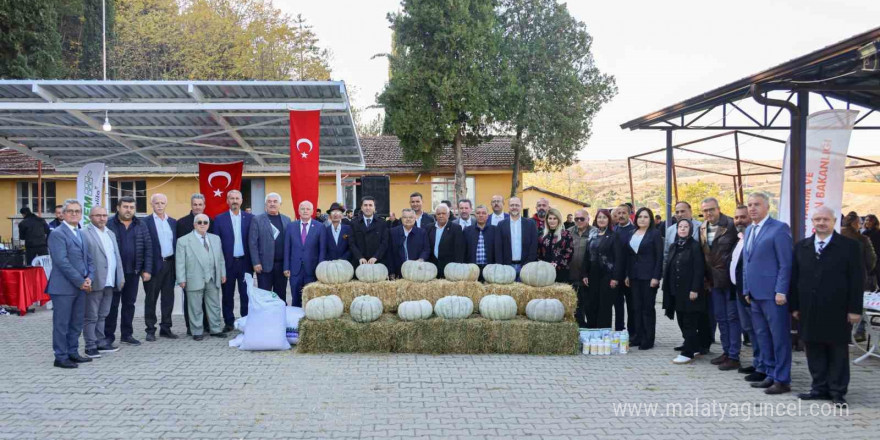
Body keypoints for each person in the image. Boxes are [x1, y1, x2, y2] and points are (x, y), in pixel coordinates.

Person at [791, 206, 863, 407]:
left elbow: (857, 280)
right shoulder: (802, 246)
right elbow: (795, 278)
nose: (821, 223)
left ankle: (838, 391)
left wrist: (855, 309)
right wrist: (795, 306)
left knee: (837, 351)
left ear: (834, 222)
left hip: (838, 310)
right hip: (809, 309)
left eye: (826, 219)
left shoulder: (849, 247)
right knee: (813, 349)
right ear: (812, 223)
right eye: (817, 219)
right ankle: (818, 388)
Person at [742, 192, 793, 395]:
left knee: (779, 337)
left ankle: (782, 379)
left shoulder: (779, 229)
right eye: (750, 205)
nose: (752, 208)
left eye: (757, 204)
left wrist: (781, 290)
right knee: (762, 336)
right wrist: (746, 288)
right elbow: (747, 263)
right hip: (754, 294)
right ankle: (770, 373)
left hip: (773, 296)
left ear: (767, 207)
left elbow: (785, 263)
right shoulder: (748, 230)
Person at [46, 199, 95, 369]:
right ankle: (60, 356)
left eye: (77, 211)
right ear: (63, 214)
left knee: (76, 322)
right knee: (62, 324)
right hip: (63, 288)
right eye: (70, 211)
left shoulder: (81, 233)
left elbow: (89, 258)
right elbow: (61, 261)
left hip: (81, 286)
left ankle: (73, 352)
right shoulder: (57, 234)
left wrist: (90, 277)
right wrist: (81, 281)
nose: (74, 214)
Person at [699, 197, 741, 371]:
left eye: (711, 209)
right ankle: (726, 352)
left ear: (719, 208)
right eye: (705, 210)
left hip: (729, 280)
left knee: (732, 318)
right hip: (713, 281)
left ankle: (734, 355)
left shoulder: (731, 225)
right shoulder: (702, 228)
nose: (708, 213)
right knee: (721, 318)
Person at [105, 196, 152, 346]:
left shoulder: (141, 224)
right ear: (118, 208)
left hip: (133, 272)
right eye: (125, 207)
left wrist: (147, 270)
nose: (128, 210)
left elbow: (148, 248)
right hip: (114, 273)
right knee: (112, 305)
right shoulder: (109, 224)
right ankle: (108, 336)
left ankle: (127, 334)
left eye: (131, 207)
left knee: (129, 304)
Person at [81, 207, 125, 358]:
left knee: (103, 314)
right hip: (95, 280)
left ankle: (100, 342)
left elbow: (116, 257)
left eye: (104, 215)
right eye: (98, 215)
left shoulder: (110, 233)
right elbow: (83, 259)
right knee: (91, 316)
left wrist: (120, 277)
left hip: (110, 281)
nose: (102, 218)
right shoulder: (85, 234)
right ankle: (90, 345)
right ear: (90, 217)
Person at [175, 214, 227, 341]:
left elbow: (220, 258)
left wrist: (222, 273)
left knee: (214, 305)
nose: (202, 224)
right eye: (199, 222)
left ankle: (215, 329)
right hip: (194, 277)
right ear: (194, 224)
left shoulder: (215, 239)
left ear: (209, 225)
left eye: (205, 222)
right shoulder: (183, 241)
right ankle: (197, 331)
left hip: (212, 277)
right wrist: (181, 279)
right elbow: (180, 262)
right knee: (195, 306)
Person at [663, 219, 708, 364]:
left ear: (691, 229)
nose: (682, 229)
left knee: (689, 321)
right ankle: (694, 346)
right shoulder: (674, 246)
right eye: (680, 227)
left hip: (690, 291)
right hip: (676, 291)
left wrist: (695, 289)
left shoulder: (695, 246)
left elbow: (699, 269)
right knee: (681, 319)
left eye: (686, 227)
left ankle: (687, 352)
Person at [730, 205, 765, 380]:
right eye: (736, 217)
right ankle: (758, 362)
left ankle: (763, 366)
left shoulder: (755, 238)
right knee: (750, 329)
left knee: (759, 330)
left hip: (752, 293)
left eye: (743, 217)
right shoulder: (740, 239)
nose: (739, 221)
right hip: (740, 292)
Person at [622, 207, 663, 350]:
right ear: (635, 218)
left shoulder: (655, 234)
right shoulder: (631, 233)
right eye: (640, 216)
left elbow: (659, 257)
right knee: (636, 308)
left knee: (647, 308)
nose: (642, 219)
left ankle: (648, 339)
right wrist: (627, 274)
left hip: (649, 277)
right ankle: (637, 337)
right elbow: (628, 256)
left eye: (646, 217)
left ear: (650, 219)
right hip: (634, 276)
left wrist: (656, 277)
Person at [213, 190, 253, 332]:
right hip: (227, 263)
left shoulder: (250, 218)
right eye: (231, 198)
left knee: (246, 294)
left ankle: (246, 320)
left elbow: (253, 242)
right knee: (227, 294)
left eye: (237, 198)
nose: (234, 201)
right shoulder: (219, 219)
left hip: (245, 263)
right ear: (227, 201)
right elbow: (216, 244)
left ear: (241, 200)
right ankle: (229, 322)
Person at [142, 193, 178, 341]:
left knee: (168, 298)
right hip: (154, 266)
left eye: (162, 203)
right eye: (157, 203)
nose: (160, 205)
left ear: (166, 204)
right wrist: (145, 269)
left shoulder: (172, 222)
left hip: (170, 264)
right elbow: (143, 247)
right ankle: (150, 329)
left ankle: (166, 328)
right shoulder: (145, 222)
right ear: (152, 204)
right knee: (151, 299)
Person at [581, 209, 623, 329]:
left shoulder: (614, 236)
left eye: (604, 217)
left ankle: (603, 335)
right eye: (599, 217)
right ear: (596, 219)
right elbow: (586, 256)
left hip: (607, 277)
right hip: (592, 276)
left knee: (604, 307)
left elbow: (618, 259)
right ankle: (592, 334)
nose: (601, 220)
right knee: (591, 306)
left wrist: (615, 278)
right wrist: (584, 274)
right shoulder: (592, 235)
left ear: (609, 220)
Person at [175, 194, 208, 335]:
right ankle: (191, 327)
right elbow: (179, 252)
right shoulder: (181, 223)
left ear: (204, 206)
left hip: (206, 270)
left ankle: (206, 325)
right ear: (191, 205)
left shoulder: (208, 221)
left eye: (200, 204)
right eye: (195, 204)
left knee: (206, 298)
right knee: (190, 300)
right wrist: (181, 276)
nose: (197, 207)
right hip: (190, 271)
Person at [249, 193, 291, 301]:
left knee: (281, 296)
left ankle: (279, 317)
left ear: (280, 204)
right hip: (263, 266)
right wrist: (256, 262)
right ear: (265, 204)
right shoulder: (257, 220)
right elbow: (252, 243)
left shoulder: (287, 220)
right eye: (269, 201)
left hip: (282, 266)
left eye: (275, 201)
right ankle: (265, 318)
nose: (272, 204)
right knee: (264, 297)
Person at [284, 201, 324, 307]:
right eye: (302, 209)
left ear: (312, 211)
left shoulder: (320, 227)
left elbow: (322, 250)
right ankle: (295, 321)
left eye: (308, 209)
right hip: (295, 270)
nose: (305, 211)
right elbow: (287, 248)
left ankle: (309, 321)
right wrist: (286, 267)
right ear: (298, 211)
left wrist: (320, 269)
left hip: (312, 269)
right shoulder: (291, 226)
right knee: (295, 298)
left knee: (311, 299)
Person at [495, 197, 538, 278]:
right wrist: (501, 266)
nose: (514, 207)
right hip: (507, 267)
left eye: (517, 205)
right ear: (508, 207)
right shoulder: (501, 224)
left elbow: (534, 246)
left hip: (525, 267)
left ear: (521, 207)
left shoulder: (530, 224)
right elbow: (498, 247)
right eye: (512, 205)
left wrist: (528, 264)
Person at [568, 208, 592, 327]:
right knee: (576, 307)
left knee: (589, 306)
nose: (579, 221)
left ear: (588, 219)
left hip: (588, 277)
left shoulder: (595, 232)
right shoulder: (568, 232)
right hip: (572, 276)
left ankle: (591, 331)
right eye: (576, 218)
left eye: (582, 218)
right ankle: (579, 329)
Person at [389, 208, 430, 278]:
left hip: (417, 270)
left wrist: (421, 259)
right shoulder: (393, 232)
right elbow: (389, 253)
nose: (408, 219)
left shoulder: (422, 232)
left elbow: (426, 249)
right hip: (398, 271)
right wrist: (391, 271)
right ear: (401, 219)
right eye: (405, 217)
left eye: (411, 217)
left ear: (415, 218)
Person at [613, 204, 635, 333]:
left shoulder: (634, 231)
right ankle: (619, 330)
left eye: (623, 213)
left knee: (632, 306)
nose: (621, 215)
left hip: (629, 275)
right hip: (616, 275)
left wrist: (628, 274)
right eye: (618, 213)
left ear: (629, 214)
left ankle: (633, 332)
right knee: (618, 305)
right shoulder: (614, 230)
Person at [841, 212, 877, 291]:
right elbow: (871, 259)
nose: (860, 226)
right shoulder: (863, 239)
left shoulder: (834, 236)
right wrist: (865, 270)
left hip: (837, 277)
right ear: (854, 224)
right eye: (859, 223)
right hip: (858, 276)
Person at [350, 196, 389, 268]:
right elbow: (352, 243)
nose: (368, 208)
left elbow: (384, 242)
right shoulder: (354, 223)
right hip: (359, 263)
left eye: (370, 205)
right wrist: (359, 257)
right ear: (361, 208)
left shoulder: (382, 223)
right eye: (365, 205)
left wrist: (376, 257)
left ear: (374, 208)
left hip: (377, 263)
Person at [427, 204, 465, 277]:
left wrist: (457, 266)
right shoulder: (429, 228)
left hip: (449, 267)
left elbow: (459, 249)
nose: (441, 216)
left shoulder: (456, 228)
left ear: (448, 215)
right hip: (431, 267)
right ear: (435, 215)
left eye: (443, 213)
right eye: (438, 214)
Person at [538, 208, 574, 283]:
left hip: (561, 272)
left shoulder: (566, 234)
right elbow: (539, 252)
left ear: (559, 220)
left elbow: (569, 253)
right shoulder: (542, 235)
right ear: (547, 220)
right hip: (544, 271)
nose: (552, 221)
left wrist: (557, 263)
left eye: (555, 218)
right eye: (550, 218)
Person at [464, 205, 497, 274]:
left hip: (490, 269)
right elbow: (464, 250)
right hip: (472, 269)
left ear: (488, 216)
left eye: (484, 213)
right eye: (478, 213)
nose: (481, 215)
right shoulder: (467, 230)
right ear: (475, 215)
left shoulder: (495, 230)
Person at [863, 214, 880, 289]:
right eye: (866, 220)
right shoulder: (864, 233)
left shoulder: (878, 232)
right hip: (868, 256)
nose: (867, 222)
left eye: (870, 220)